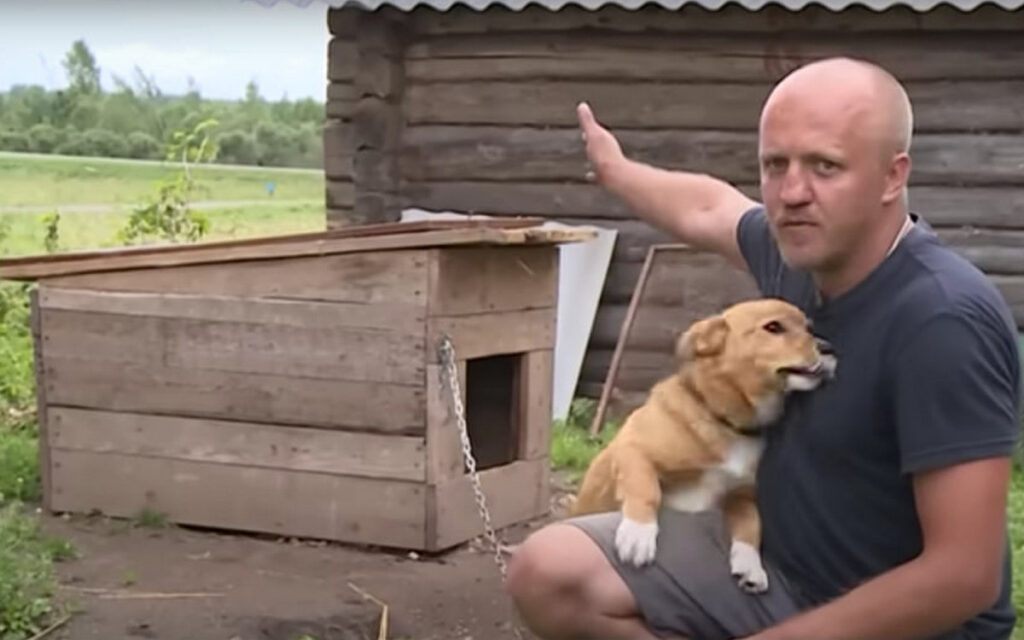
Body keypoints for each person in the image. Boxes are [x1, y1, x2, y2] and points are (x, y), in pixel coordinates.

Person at [505, 57, 1022, 640]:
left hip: (904, 620)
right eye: (776, 165)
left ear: (891, 177)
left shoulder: (942, 321)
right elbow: (709, 207)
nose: (792, 193)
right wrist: (617, 170)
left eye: (826, 166)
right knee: (550, 572)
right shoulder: (800, 253)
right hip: (781, 563)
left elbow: (963, 576)